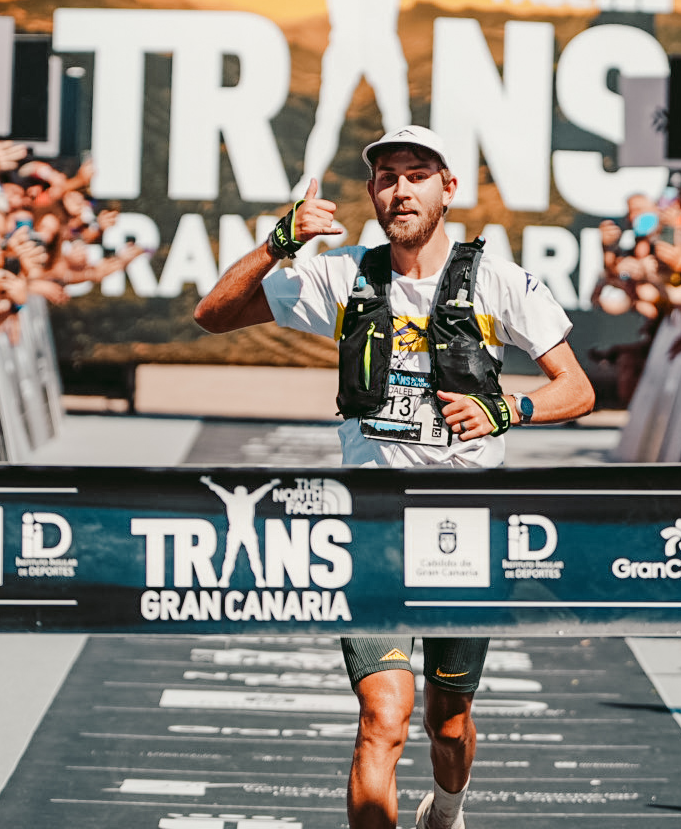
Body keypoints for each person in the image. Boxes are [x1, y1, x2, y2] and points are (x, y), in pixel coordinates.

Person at [194, 124, 594, 829]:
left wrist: (509, 408)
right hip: (371, 528)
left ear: (449, 189)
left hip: (464, 531)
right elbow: (213, 315)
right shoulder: (344, 273)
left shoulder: (498, 280)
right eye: (387, 178)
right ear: (372, 193)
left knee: (449, 723)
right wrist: (279, 241)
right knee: (383, 714)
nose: (400, 190)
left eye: (417, 175)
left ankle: (447, 809)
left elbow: (578, 388)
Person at [250, 0, 479, 197]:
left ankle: (406, 180)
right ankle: (311, 179)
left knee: (397, 121)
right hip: (347, 46)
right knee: (333, 117)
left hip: (380, 46)